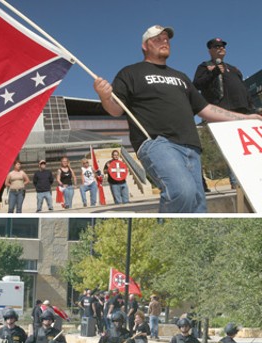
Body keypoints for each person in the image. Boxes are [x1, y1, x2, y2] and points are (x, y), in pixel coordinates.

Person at [93, 25, 261, 213]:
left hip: (191, 146)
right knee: (182, 192)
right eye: (157, 39)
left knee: (198, 205)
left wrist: (245, 118)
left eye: (166, 39)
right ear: (144, 46)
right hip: (157, 142)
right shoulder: (130, 73)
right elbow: (116, 110)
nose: (164, 41)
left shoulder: (180, 77)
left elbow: (206, 109)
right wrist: (105, 96)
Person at [193, 37, 256, 189]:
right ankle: (236, 183)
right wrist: (213, 73)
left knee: (248, 148)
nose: (220, 48)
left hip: (243, 112)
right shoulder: (205, 66)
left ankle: (253, 179)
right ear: (210, 50)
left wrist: (252, 108)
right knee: (233, 147)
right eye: (216, 46)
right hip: (223, 112)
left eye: (222, 46)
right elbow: (196, 85)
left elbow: (243, 90)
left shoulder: (234, 68)